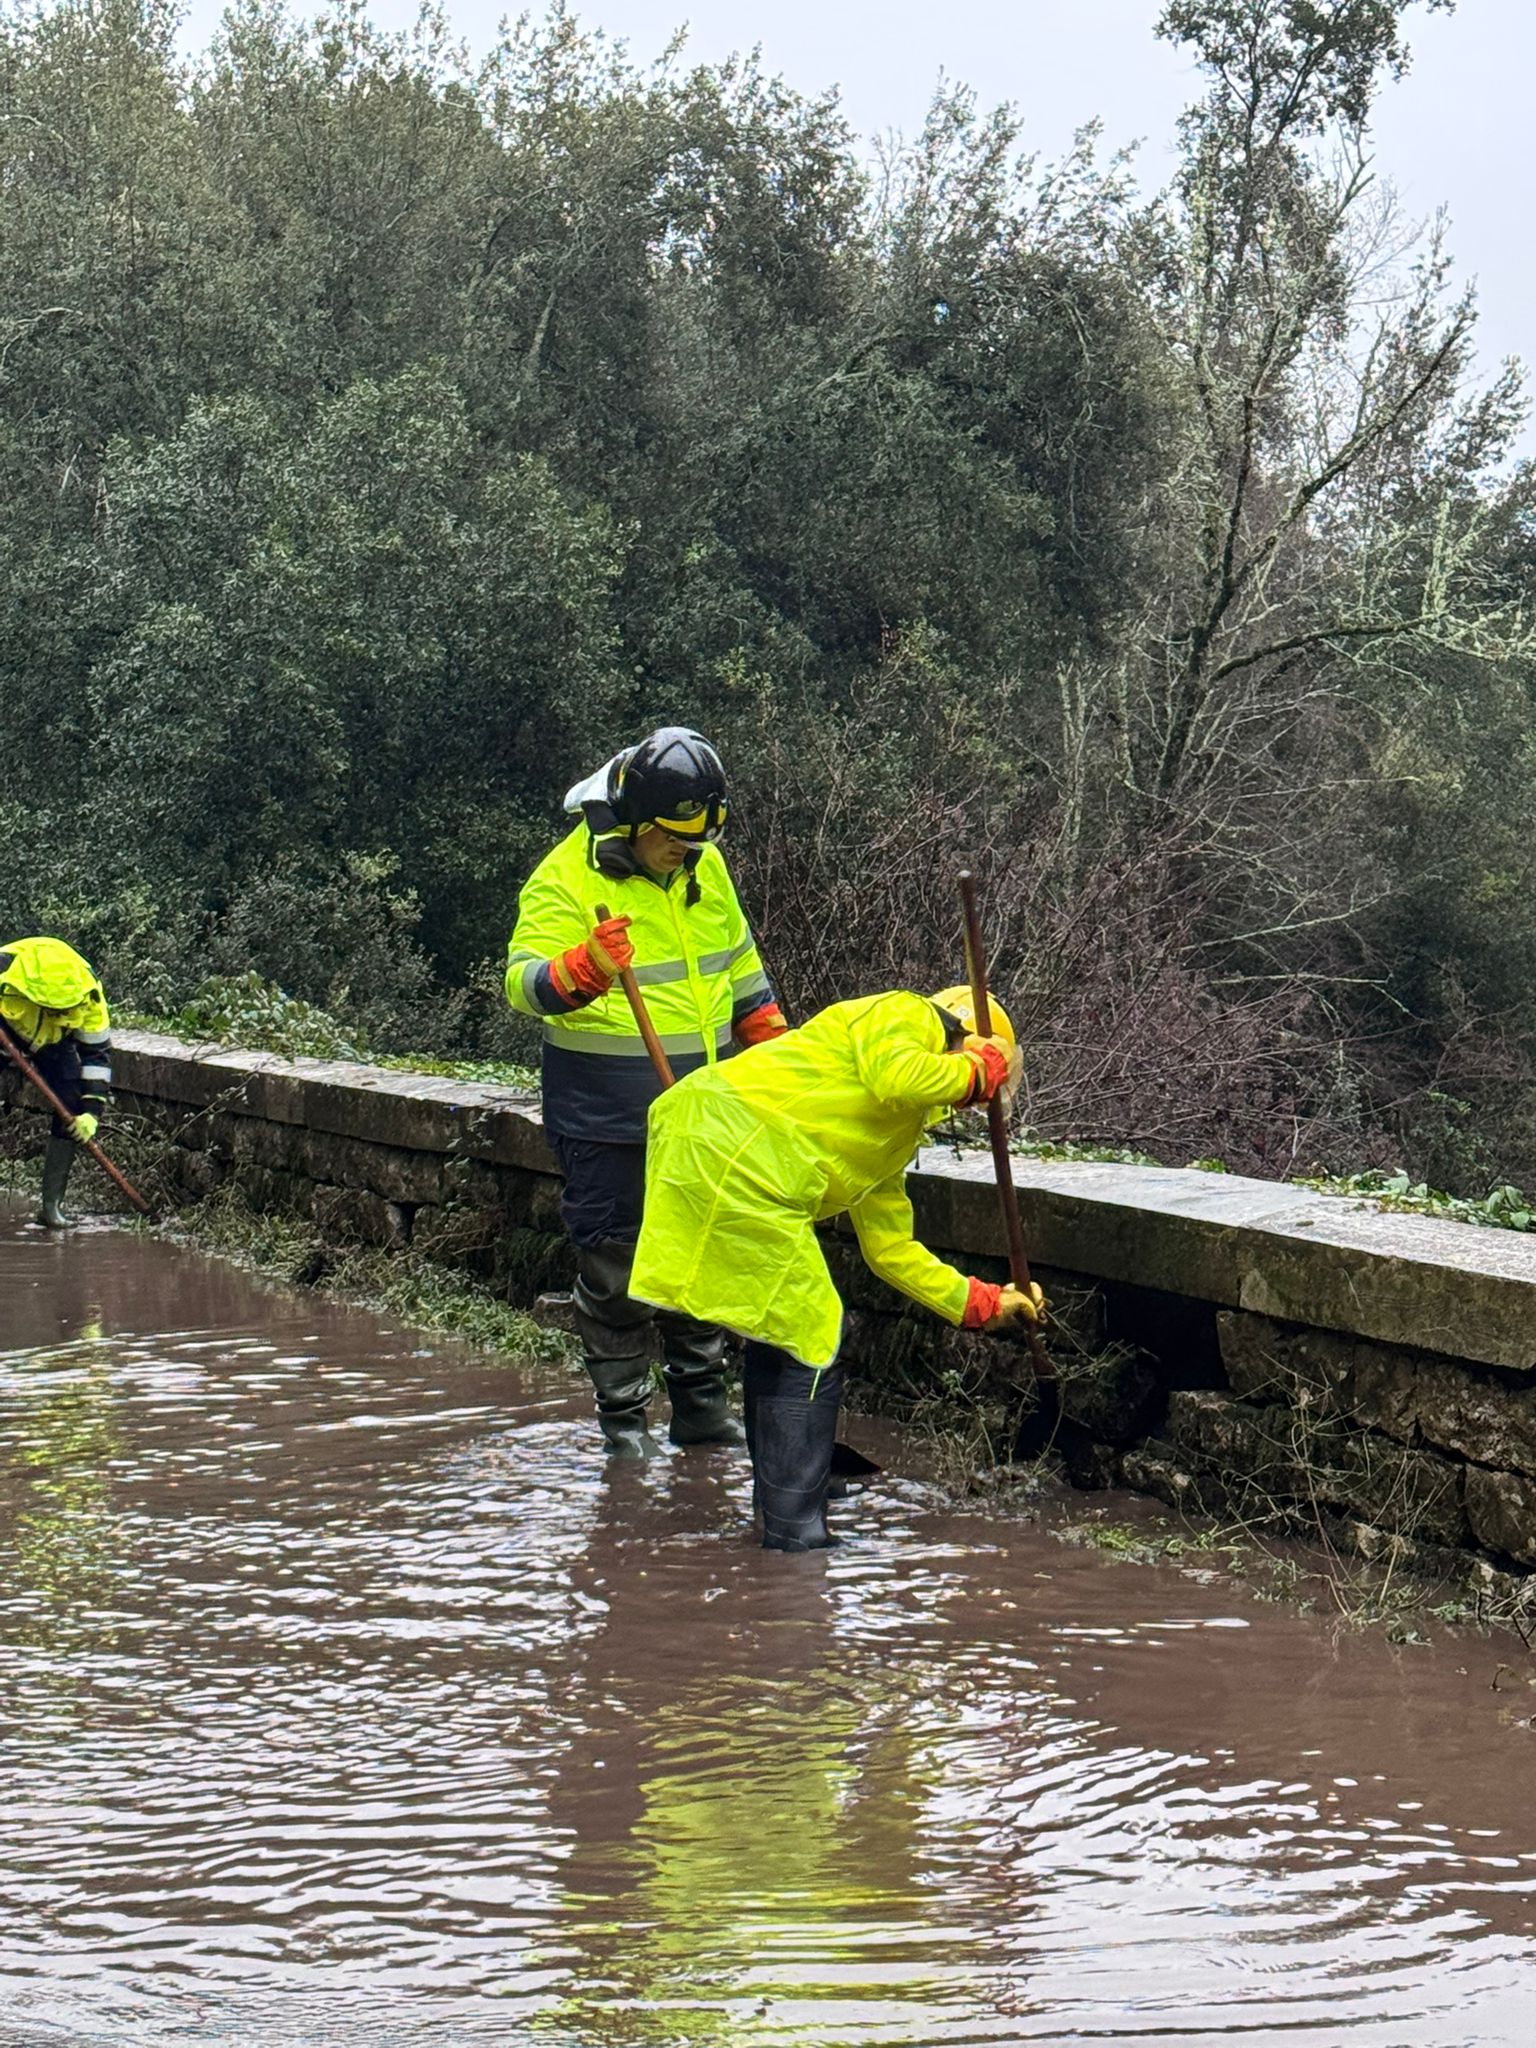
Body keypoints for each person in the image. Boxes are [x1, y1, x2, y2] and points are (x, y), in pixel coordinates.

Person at [628, 984, 1046, 1551]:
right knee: (815, 1329)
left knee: (785, 1329)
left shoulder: (893, 1132)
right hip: (738, 1150)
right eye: (976, 1087)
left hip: (727, 1151)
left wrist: (985, 1303)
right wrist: (977, 1070)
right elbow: (897, 1073)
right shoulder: (903, 1012)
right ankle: (794, 1526)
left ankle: (782, 1501)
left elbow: (891, 1250)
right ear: (963, 1039)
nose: (968, 1104)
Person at [505, 726, 787, 1460]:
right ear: (635, 822)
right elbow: (520, 984)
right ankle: (625, 1423)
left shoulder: (705, 864)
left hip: (701, 1109)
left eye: (699, 843)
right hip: (605, 1116)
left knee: (698, 1257)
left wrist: (772, 1046)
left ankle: (699, 1409)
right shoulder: (567, 878)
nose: (688, 854)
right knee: (616, 1271)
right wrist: (584, 968)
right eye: (674, 840)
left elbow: (743, 967)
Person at [0, 937, 114, 1229]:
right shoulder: (6, 968)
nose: (63, 1016)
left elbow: (97, 1059)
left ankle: (51, 1206)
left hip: (52, 1042)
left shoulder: (90, 996)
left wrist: (91, 1113)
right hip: (7, 1026)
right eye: (55, 1010)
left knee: (71, 1101)